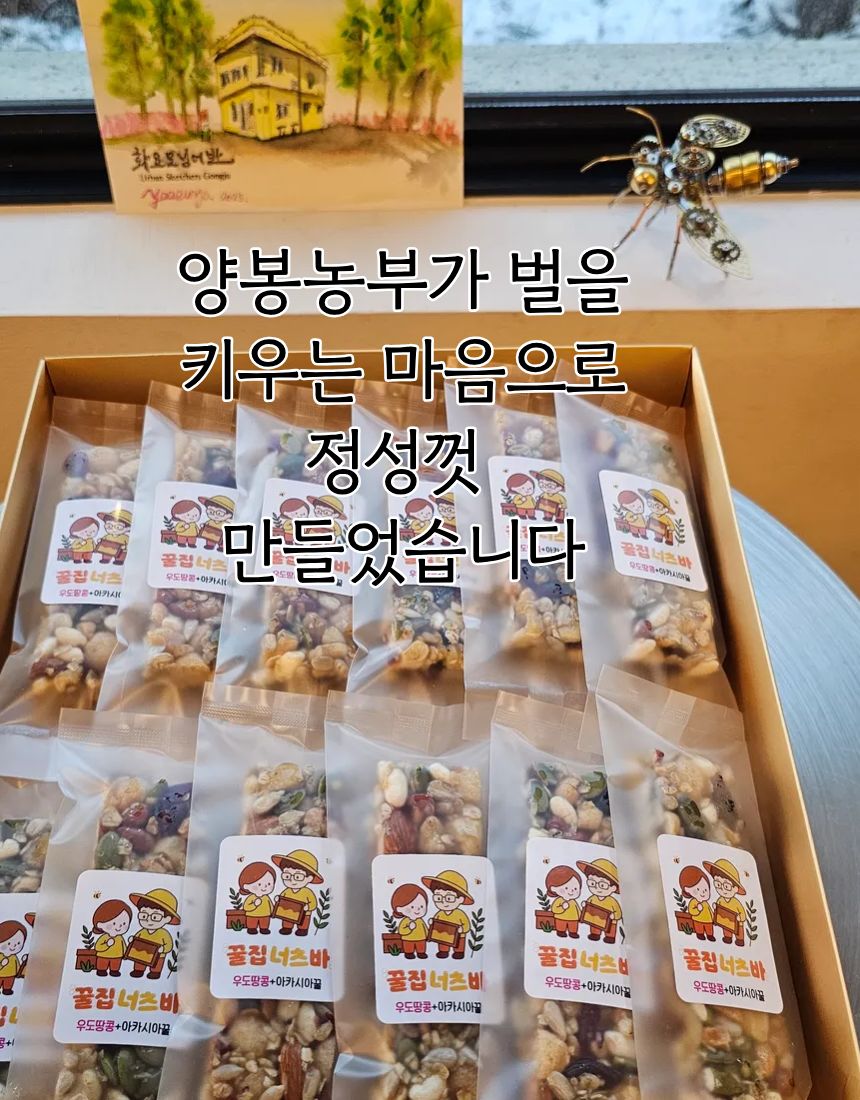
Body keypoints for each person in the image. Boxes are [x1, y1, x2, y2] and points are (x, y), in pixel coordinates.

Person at [127, 888, 181, 979]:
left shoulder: (164, 933)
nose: (148, 920)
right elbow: (136, 938)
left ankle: (155, 972)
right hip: (141, 952)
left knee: (157, 963)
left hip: (159, 955)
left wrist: (163, 949)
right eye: (144, 916)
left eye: (155, 917)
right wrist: (132, 939)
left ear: (167, 919)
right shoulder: (142, 931)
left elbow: (169, 945)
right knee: (139, 961)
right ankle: (138, 970)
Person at [422, 869, 473, 960]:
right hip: (443, 935)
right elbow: (435, 923)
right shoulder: (440, 913)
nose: (443, 902)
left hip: (459, 935)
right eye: (438, 898)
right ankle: (443, 951)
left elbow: (467, 925)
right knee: (442, 942)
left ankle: (459, 952)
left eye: (449, 898)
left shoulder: (460, 914)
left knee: (459, 944)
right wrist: (432, 923)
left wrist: (462, 929)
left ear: (460, 899)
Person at [272, 850, 322, 936]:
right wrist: (278, 899)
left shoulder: (307, 892)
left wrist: (308, 907)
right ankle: (287, 928)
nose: (292, 880)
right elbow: (282, 899)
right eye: (287, 876)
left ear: (309, 878)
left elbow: (313, 903)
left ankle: (302, 930)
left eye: (298, 877)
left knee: (304, 921)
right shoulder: (287, 891)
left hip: (304, 913)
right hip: (288, 911)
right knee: (287, 919)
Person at [577, 858, 623, 944]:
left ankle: (610, 937)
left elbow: (618, 913)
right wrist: (584, 905)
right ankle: (595, 934)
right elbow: (588, 906)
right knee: (594, 926)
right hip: (595, 919)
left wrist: (614, 915)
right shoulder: (592, 898)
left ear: (613, 888)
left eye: (602, 885)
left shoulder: (612, 901)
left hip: (610, 921)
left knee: (611, 929)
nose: (596, 887)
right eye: (592, 883)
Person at [705, 858, 748, 946]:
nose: (722, 889)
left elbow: (742, 913)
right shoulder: (720, 900)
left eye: (726, 886)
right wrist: (715, 907)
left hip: (737, 922)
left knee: (739, 931)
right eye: (718, 884)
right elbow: (718, 908)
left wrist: (740, 917)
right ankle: (728, 937)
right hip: (725, 921)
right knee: (726, 929)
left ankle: (740, 940)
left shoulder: (736, 902)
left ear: (735, 889)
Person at [91, 898, 132, 977]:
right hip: (103, 955)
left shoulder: (120, 938)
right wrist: (107, 944)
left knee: (115, 965)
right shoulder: (104, 937)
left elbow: (123, 946)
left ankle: (114, 971)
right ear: (100, 924)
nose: (119, 927)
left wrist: (125, 954)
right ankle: (101, 970)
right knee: (102, 964)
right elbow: (98, 947)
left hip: (117, 956)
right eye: (114, 923)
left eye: (124, 924)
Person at [391, 883, 429, 959]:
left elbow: (425, 928)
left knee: (421, 946)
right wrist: (409, 928)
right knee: (408, 946)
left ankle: (421, 953)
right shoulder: (405, 921)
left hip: (421, 938)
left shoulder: (420, 921)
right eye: (412, 907)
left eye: (421, 906)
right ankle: (409, 953)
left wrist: (427, 936)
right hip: (408, 938)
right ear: (399, 909)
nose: (417, 909)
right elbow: (401, 931)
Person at [237, 861, 276, 935]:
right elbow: (246, 907)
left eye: (269, 884)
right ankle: (252, 928)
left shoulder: (266, 898)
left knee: (264, 923)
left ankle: (264, 929)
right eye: (259, 884)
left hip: (265, 915)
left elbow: (270, 905)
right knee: (252, 923)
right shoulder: (251, 897)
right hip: (252, 915)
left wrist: (272, 912)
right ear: (246, 886)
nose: (264, 887)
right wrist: (254, 904)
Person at [678, 865, 715, 941]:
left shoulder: (705, 903)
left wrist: (713, 918)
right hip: (698, 919)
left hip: (708, 920)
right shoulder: (693, 902)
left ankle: (710, 935)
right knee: (699, 928)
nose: (703, 892)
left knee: (709, 929)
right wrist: (698, 909)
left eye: (705, 889)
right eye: (697, 890)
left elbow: (709, 911)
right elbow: (691, 911)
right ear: (687, 890)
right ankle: (700, 934)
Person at [545, 865, 582, 938]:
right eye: (566, 888)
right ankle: (561, 931)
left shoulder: (573, 902)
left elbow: (577, 909)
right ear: (553, 888)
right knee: (561, 925)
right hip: (561, 917)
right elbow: (554, 909)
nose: (571, 891)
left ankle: (573, 933)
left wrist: (580, 916)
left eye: (575, 888)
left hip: (573, 918)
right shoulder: (559, 900)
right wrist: (562, 907)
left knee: (573, 926)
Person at [0, 919, 29, 994]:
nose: (13, 946)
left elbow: (17, 966)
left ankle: (7, 989)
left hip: (11, 975)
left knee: (8, 983)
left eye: (18, 943)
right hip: (1, 974)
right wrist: (2, 964)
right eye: (8, 943)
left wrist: (22, 965)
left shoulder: (13, 957)